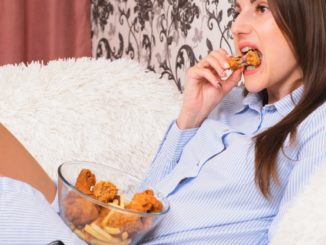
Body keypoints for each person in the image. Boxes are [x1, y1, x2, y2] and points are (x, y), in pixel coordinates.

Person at [0, 0, 325, 244]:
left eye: (261, 8)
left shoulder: (316, 127)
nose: (238, 26)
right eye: (238, 9)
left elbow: (297, 234)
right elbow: (144, 203)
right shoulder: (228, 103)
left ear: (310, 16)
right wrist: (190, 118)